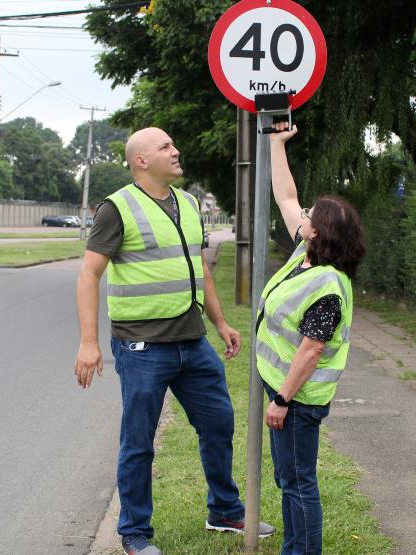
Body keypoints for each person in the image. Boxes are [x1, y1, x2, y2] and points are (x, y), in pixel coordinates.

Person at [73, 127, 274, 555]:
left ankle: (224, 511)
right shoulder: (117, 208)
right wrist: (89, 342)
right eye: (165, 146)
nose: (176, 150)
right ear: (141, 160)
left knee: (219, 423)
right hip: (142, 347)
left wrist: (220, 323)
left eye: (173, 144)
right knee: (138, 442)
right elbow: (89, 274)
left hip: (192, 341)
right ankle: (134, 532)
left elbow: (198, 268)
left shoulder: (188, 203)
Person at [259, 122, 366, 555]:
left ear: (318, 231)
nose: (301, 215)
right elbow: (286, 196)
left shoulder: (327, 284)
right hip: (288, 390)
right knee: (289, 479)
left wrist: (281, 400)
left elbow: (312, 348)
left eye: (309, 215)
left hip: (297, 399)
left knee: (298, 482)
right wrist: (276, 144)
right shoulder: (304, 255)